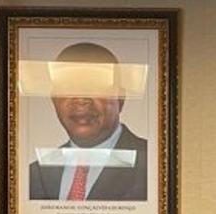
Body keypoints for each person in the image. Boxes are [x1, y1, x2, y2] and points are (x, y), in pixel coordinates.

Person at [27, 42, 148, 202]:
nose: (81, 100)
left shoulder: (153, 165)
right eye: (69, 88)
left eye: (94, 87)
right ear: (54, 99)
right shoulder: (35, 174)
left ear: (120, 98)